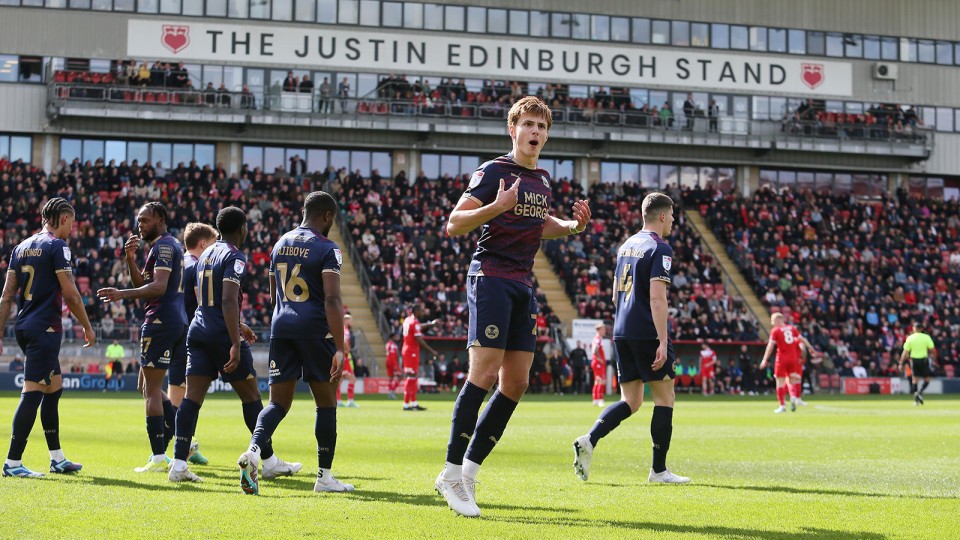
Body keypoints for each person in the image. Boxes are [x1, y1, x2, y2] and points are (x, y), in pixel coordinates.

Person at [436, 96, 591, 517]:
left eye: (542, 126)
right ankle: (449, 473)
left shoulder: (542, 179)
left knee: (516, 383)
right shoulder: (493, 172)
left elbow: (544, 226)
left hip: (523, 284)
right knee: (483, 374)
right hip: (490, 278)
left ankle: (468, 472)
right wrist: (496, 207)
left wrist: (574, 225)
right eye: (529, 124)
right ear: (513, 129)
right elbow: (454, 223)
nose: (536, 132)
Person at [168, 207, 301, 483]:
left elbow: (211, 299)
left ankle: (179, 464)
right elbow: (228, 300)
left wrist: (238, 326)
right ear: (242, 228)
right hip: (220, 335)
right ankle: (269, 461)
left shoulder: (205, 253)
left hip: (199, 329)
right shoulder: (234, 256)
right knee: (252, 398)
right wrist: (235, 342)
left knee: (192, 399)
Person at [237, 191, 354, 495]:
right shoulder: (328, 249)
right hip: (315, 329)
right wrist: (340, 347)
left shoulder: (279, 243)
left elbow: (275, 293)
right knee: (326, 404)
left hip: (282, 326)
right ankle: (325, 478)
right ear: (327, 216)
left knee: (278, 403)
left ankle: (252, 453)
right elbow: (331, 297)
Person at [571, 192, 689, 486]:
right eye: (672, 215)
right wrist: (662, 341)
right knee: (665, 398)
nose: (673, 221)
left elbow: (614, 295)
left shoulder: (626, 246)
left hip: (621, 329)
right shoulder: (660, 248)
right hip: (647, 330)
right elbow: (657, 298)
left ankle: (589, 439)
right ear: (662, 216)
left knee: (631, 400)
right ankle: (659, 471)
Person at [0, 197, 95, 477]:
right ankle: (13, 463)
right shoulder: (58, 246)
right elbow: (71, 293)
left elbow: (6, 296)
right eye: (72, 224)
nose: (72, 230)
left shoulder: (21, 247)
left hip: (25, 325)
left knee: (54, 390)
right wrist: (87, 326)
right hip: (45, 329)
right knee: (32, 394)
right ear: (64, 219)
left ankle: (57, 458)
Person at [98, 203, 192, 471]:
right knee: (146, 386)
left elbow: (158, 288)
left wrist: (121, 293)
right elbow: (146, 285)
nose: (140, 225)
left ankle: (159, 457)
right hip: (173, 322)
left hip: (160, 322)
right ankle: (182, 438)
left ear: (160, 218)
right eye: (138, 221)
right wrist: (130, 259)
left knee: (150, 390)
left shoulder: (163, 247)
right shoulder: (167, 245)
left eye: (145, 220)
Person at [760, 313, 821, 413]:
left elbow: (770, 346)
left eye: (773, 321)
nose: (772, 323)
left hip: (781, 359)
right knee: (792, 380)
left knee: (780, 382)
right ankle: (793, 398)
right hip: (793, 359)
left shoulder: (775, 330)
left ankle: (782, 406)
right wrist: (811, 348)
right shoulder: (792, 328)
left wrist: (764, 359)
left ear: (778, 320)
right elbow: (803, 340)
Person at [401, 304, 439, 411]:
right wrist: (432, 351)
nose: (422, 312)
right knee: (411, 376)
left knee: (413, 377)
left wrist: (430, 325)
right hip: (411, 352)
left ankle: (413, 403)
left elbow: (417, 327)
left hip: (408, 350)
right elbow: (419, 339)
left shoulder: (408, 320)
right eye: (421, 311)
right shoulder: (413, 322)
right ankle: (406, 404)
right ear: (416, 311)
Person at [898, 321, 937, 406]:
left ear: (914, 329)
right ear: (922, 329)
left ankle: (916, 400)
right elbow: (933, 350)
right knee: (927, 380)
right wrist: (934, 360)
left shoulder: (910, 338)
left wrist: (901, 363)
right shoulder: (926, 337)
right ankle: (919, 393)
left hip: (914, 360)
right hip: (923, 360)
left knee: (915, 380)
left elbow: (905, 352)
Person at [337, 314, 358, 408]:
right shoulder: (344, 330)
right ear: (345, 320)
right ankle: (350, 400)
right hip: (344, 356)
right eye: (350, 320)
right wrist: (347, 350)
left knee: (340, 380)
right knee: (352, 379)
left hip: (343, 356)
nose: (351, 321)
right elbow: (344, 341)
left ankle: (339, 400)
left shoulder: (343, 329)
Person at [590, 323, 607, 406]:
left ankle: (595, 399)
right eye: (603, 329)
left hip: (596, 362)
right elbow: (595, 349)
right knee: (601, 380)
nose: (604, 331)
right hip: (598, 363)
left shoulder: (597, 338)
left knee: (597, 381)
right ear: (599, 330)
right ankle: (600, 399)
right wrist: (599, 358)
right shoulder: (598, 339)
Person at [385, 332, 401, 399]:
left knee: (391, 378)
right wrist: (395, 366)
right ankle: (391, 391)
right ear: (392, 337)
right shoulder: (392, 345)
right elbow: (392, 355)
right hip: (392, 362)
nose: (397, 338)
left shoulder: (388, 344)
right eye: (396, 336)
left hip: (389, 362)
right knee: (400, 376)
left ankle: (390, 392)